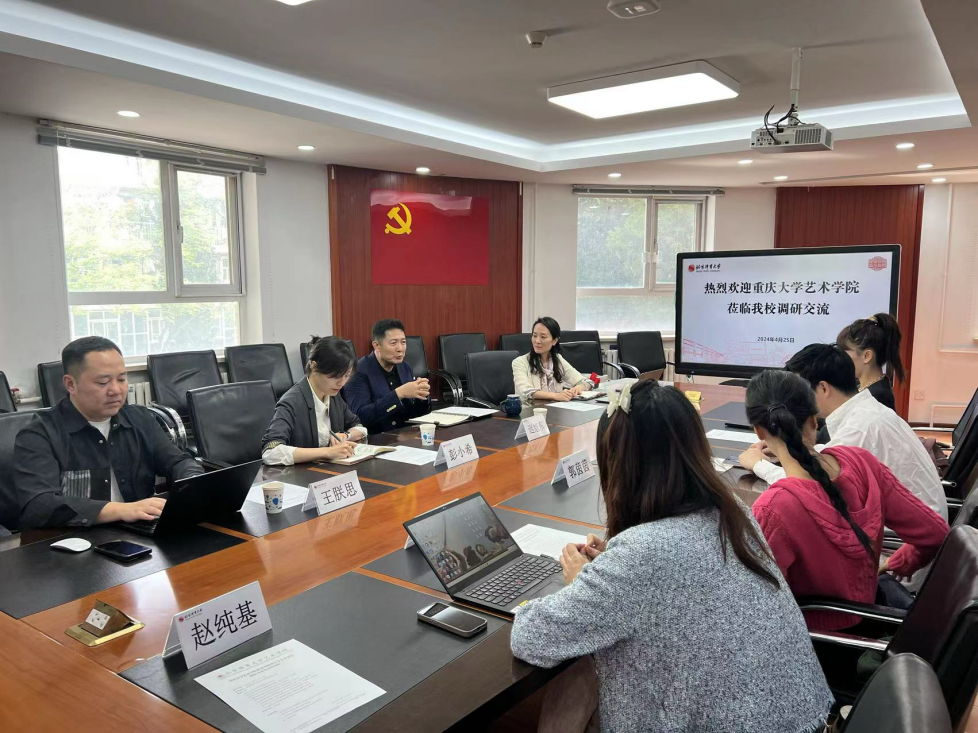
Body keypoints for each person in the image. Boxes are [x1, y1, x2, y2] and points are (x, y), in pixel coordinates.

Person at [510, 381, 832, 732]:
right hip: (802, 715)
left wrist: (582, 581)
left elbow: (530, 637)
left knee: (578, 675)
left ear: (620, 466)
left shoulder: (641, 555)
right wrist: (611, 569)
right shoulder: (732, 512)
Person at [744, 369, 949, 630]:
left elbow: (757, 609)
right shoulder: (862, 462)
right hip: (870, 617)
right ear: (814, 421)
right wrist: (896, 564)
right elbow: (936, 533)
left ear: (759, 431)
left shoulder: (773, 509)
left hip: (819, 639)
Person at [739, 344, 947, 524]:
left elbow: (807, 487)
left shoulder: (859, 428)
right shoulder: (867, 411)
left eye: (799, 392)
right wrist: (787, 445)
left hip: (901, 540)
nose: (795, 400)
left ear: (823, 388)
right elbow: (833, 456)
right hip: (919, 525)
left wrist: (759, 465)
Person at [14, 336, 202, 530]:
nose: (116, 390)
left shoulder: (140, 419)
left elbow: (177, 462)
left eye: (121, 379)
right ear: (70, 384)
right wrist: (122, 510)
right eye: (103, 382)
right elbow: (39, 505)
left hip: (139, 530)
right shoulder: (39, 435)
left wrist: (194, 482)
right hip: (74, 538)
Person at [261, 336, 366, 465]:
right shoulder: (291, 402)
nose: (342, 383)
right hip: (300, 474)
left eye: (346, 375)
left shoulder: (333, 395)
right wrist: (327, 452)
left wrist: (345, 435)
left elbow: (359, 427)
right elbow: (271, 452)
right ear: (314, 367)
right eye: (335, 376)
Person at [343, 319, 431, 433]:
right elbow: (360, 417)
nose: (400, 349)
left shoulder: (405, 367)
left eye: (403, 342)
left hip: (404, 434)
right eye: (393, 343)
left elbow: (414, 413)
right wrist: (398, 394)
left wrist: (422, 396)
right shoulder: (358, 371)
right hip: (376, 437)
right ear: (376, 345)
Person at [512, 317, 593, 403]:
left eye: (543, 337)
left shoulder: (558, 360)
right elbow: (527, 391)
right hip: (530, 409)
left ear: (554, 341)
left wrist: (579, 387)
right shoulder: (519, 362)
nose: (537, 341)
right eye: (534, 336)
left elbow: (587, 382)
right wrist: (556, 396)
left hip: (555, 408)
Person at [836, 313, 904, 411]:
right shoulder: (864, 387)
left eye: (844, 353)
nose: (840, 358)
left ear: (866, 356)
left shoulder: (877, 397)